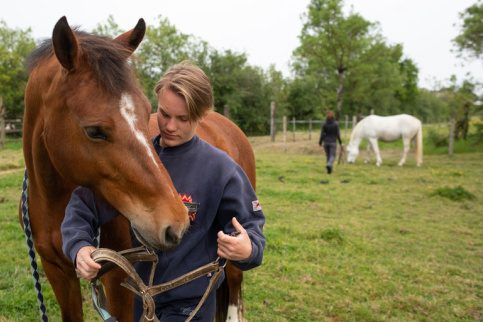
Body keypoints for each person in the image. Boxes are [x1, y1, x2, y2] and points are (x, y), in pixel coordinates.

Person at [61, 61, 266, 321]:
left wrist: (248, 249)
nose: (169, 126)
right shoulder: (138, 160)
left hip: (193, 305)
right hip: (143, 299)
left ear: (202, 115)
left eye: (182, 119)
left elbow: (251, 229)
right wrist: (79, 246)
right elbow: (83, 205)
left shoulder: (222, 169)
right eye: (164, 113)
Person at [318, 110, 343, 174]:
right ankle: (329, 165)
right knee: (333, 155)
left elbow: (322, 134)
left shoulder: (324, 124)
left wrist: (320, 143)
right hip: (333, 142)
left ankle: (329, 170)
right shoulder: (335, 124)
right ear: (333, 115)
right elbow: (338, 134)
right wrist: (340, 142)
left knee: (328, 156)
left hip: (326, 142)